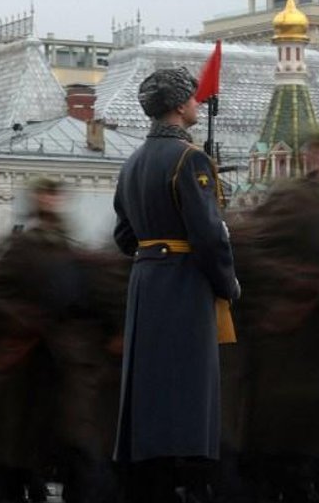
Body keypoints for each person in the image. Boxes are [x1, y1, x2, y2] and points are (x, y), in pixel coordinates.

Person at [112, 67, 240, 502]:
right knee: (188, 393)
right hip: (184, 285)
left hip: (145, 284)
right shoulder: (191, 159)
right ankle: (189, 480)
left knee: (150, 392)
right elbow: (208, 236)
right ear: (179, 104)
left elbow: (124, 237)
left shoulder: (131, 163)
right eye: (193, 98)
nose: (198, 104)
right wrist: (228, 283)